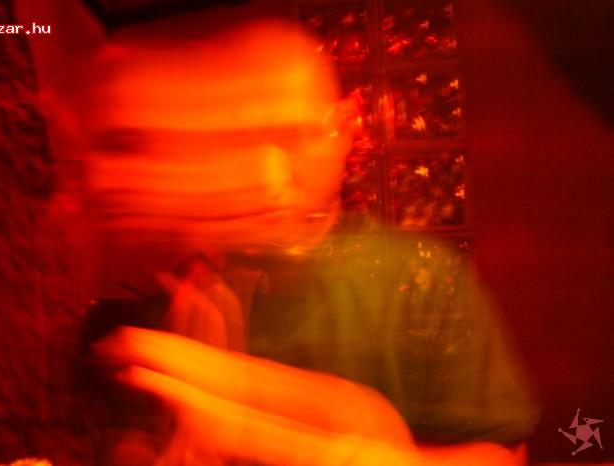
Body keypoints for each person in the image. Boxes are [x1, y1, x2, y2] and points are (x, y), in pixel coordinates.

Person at [82, 19, 539, 465]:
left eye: (292, 136)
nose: (266, 170)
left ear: (345, 128)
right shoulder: (191, 289)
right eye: (240, 140)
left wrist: (314, 446)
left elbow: (503, 456)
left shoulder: (419, 277)